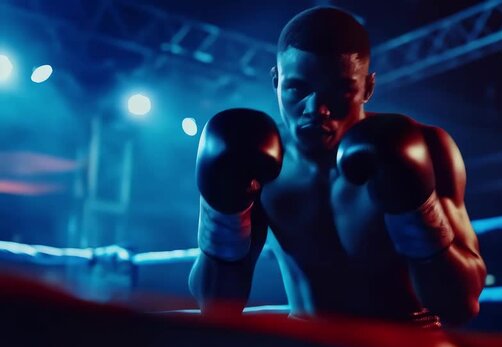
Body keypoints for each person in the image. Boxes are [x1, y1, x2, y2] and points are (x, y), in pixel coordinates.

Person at [189, 6, 486, 328]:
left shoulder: (425, 146)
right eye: (297, 89)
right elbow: (216, 304)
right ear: (276, 81)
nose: (317, 109)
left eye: (339, 90)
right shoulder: (252, 156)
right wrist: (223, 214)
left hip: (408, 344)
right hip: (312, 345)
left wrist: (417, 209)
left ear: (367, 88)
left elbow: (461, 305)